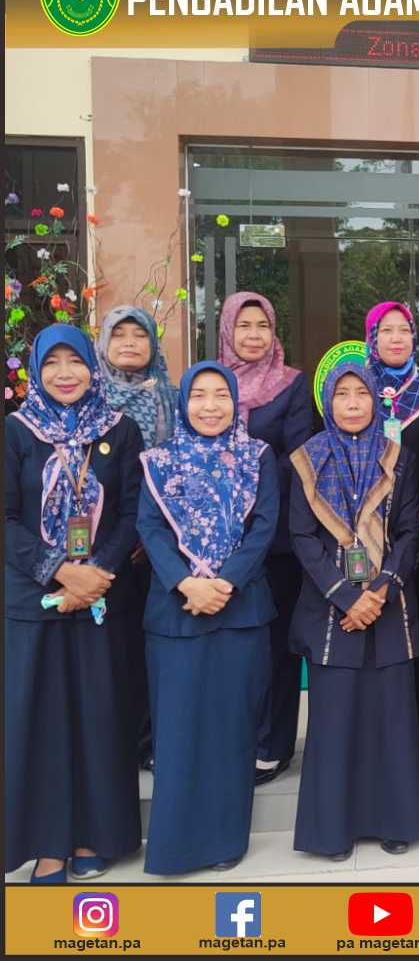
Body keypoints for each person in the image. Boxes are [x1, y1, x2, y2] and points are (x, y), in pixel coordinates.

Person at [5, 324, 143, 883]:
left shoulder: (120, 429)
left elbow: (133, 511)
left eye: (76, 361)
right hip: (32, 599)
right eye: (52, 363)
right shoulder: (15, 431)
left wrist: (97, 573)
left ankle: (96, 835)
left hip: (102, 600)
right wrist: (59, 570)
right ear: (36, 372)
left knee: (99, 716)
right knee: (42, 721)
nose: (65, 373)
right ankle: (48, 844)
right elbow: (5, 519)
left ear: (93, 367)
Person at [289, 356, 419, 859]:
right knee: (335, 721)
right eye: (342, 394)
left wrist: (381, 589)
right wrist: (347, 596)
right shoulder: (306, 459)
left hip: (388, 605)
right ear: (327, 402)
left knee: (392, 717)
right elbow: (301, 537)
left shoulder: (398, 457)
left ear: (376, 400)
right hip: (331, 608)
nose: (353, 404)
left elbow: (410, 531)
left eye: (362, 394)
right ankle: (333, 832)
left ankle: (397, 821)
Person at [137, 361, 279, 874]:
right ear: (184, 402)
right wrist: (186, 583)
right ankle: (175, 848)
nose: (211, 405)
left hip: (240, 613)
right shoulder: (158, 462)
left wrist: (225, 583)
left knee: (230, 730)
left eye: (222, 394)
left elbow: (264, 526)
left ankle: (224, 842)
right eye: (199, 395)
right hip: (176, 616)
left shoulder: (257, 457)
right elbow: (150, 528)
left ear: (235, 402)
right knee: (177, 732)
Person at [219, 292, 313, 786]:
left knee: (276, 644)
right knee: (230, 644)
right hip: (217, 539)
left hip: (275, 538)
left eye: (262, 326)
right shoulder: (212, 382)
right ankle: (232, 737)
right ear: (227, 330)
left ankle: (273, 744)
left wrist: (240, 481)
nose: (253, 335)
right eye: (244, 325)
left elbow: (297, 456)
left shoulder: (291, 385)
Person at [96, 305, 180, 773]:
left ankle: (153, 741)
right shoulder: (89, 399)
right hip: (105, 549)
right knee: (115, 649)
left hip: (165, 545)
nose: (130, 343)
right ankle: (116, 743)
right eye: (119, 334)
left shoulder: (174, 399)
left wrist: (156, 533)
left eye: (140, 334)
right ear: (104, 343)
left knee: (159, 648)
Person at [365, 301, 419, 743]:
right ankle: (380, 722)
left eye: (404, 330)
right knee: (376, 618)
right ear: (372, 338)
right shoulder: (357, 387)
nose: (396, 338)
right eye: (386, 330)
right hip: (364, 528)